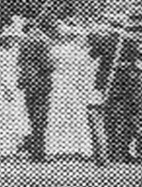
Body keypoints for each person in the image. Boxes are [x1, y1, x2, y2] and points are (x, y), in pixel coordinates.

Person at [45, 18, 98, 159]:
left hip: (70, 83)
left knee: (71, 114)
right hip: (63, 83)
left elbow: (84, 68)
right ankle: (63, 149)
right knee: (63, 114)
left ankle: (71, 148)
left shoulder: (61, 50)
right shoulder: (62, 50)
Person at [18, 17, 55, 162]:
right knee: (41, 119)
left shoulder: (23, 42)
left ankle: (34, 150)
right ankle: (39, 152)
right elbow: (47, 64)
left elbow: (20, 63)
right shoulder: (42, 41)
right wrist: (53, 65)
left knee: (32, 117)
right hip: (41, 83)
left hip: (28, 83)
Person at [0, 18, 29, 157]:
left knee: (18, 116)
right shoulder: (1, 53)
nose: (12, 41)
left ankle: (16, 147)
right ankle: (5, 148)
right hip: (4, 87)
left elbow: (21, 70)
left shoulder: (18, 53)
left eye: (14, 38)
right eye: (9, 38)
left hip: (17, 86)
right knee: (4, 117)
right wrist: (5, 88)